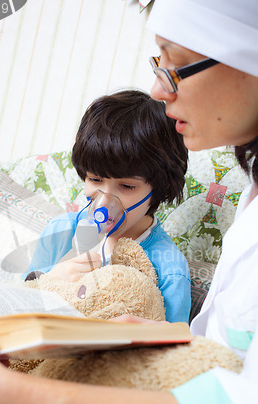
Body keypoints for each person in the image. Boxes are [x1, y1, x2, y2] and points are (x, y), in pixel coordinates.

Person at [0, 0, 258, 404]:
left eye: (175, 64)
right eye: (157, 64)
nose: (158, 88)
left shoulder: (166, 257)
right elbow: (221, 351)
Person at [25, 89, 191, 323]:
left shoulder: (168, 268)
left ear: (162, 188)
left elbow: (173, 348)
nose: (105, 200)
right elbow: (19, 301)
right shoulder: (60, 232)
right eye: (95, 180)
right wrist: (50, 279)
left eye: (126, 186)